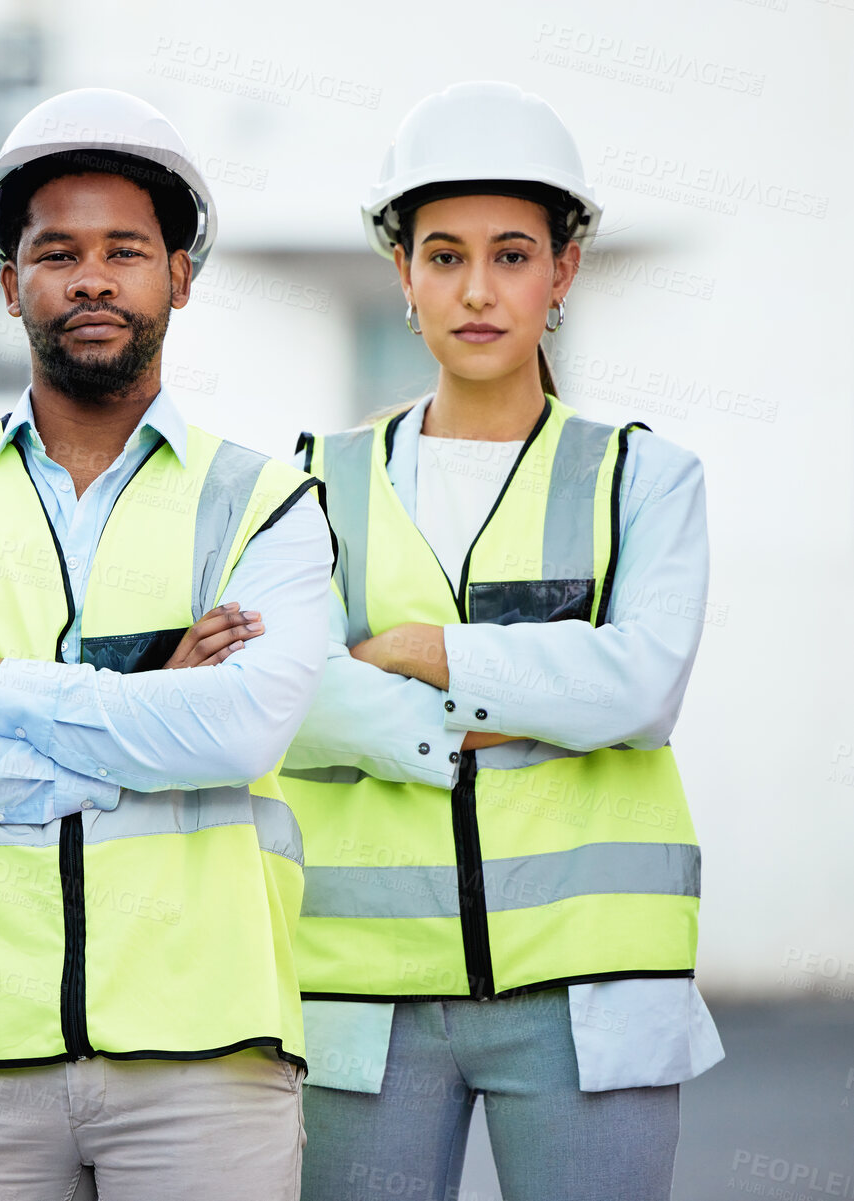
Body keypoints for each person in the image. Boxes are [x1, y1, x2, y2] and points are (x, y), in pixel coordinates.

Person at [0, 88, 333, 1200]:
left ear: (178, 277)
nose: (91, 279)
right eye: (57, 253)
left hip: (207, 1053)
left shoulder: (267, 504)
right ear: (11, 285)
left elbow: (237, 726)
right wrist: (145, 724)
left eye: (125, 251)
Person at [280, 82, 723, 1200]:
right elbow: (289, 697)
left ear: (563, 271)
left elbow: (640, 688)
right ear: (403, 273)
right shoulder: (310, 484)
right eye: (443, 255)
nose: (476, 290)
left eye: (513, 254)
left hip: (593, 992)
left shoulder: (645, 479)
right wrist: (531, 705)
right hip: (362, 997)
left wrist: (427, 650)